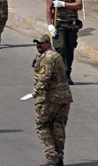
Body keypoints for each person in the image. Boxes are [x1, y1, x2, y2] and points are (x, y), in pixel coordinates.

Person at [24, 34, 71, 166]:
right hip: (64, 97)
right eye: (37, 43)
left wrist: (35, 93)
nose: (38, 45)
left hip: (50, 98)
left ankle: (51, 155)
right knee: (58, 125)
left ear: (48, 44)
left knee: (42, 125)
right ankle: (59, 157)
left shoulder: (47, 58)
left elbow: (44, 78)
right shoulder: (56, 56)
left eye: (41, 43)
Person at [46, 0, 83, 84]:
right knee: (60, 47)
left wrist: (63, 4)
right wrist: (50, 25)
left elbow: (79, 5)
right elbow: (48, 8)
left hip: (72, 24)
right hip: (59, 23)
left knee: (70, 49)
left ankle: (67, 73)